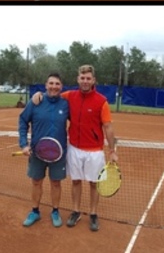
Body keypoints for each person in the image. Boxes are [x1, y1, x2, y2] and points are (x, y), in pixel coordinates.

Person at [33, 64, 118, 232]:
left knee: (94, 184)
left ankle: (93, 213)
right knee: (76, 181)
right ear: (78, 79)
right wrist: (39, 94)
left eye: (88, 78)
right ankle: (76, 211)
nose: (85, 81)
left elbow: (108, 127)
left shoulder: (101, 101)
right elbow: (52, 94)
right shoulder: (69, 96)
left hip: (94, 151)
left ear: (93, 80)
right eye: (82, 78)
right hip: (74, 149)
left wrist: (113, 150)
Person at [18, 73, 70, 228]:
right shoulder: (35, 102)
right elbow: (22, 120)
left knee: (55, 183)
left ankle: (55, 211)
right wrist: (23, 144)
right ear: (46, 85)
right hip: (37, 152)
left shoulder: (66, 104)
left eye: (57, 84)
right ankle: (35, 211)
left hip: (58, 153)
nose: (54, 86)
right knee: (36, 182)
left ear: (61, 86)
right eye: (51, 83)